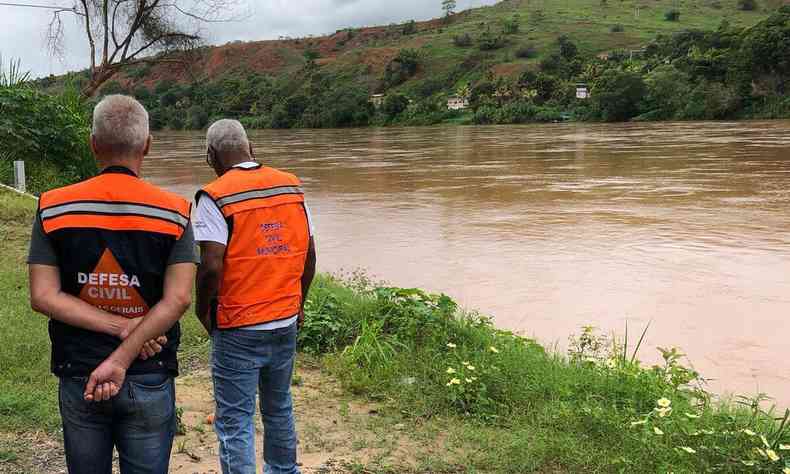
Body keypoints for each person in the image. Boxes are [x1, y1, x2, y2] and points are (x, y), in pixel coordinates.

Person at [28, 95, 198, 474]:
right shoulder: (176, 211)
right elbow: (179, 298)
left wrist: (116, 334)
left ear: (92, 145)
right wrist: (127, 340)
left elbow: (42, 295)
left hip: (80, 373)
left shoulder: (53, 207)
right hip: (149, 372)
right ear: (148, 145)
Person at [194, 119, 316, 474]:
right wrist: (300, 303)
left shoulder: (214, 195)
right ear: (252, 148)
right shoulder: (292, 187)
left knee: (235, 419)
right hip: (285, 319)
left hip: (238, 326)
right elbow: (309, 253)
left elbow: (211, 267)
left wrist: (204, 312)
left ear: (211, 155)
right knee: (279, 406)